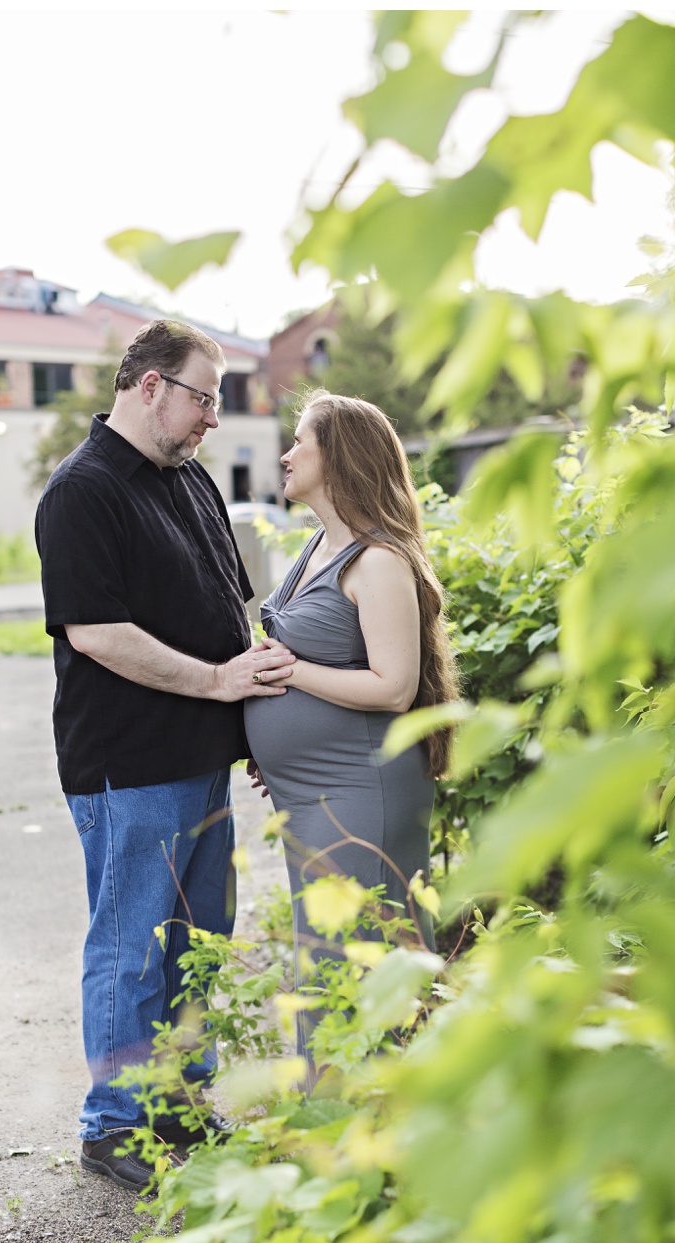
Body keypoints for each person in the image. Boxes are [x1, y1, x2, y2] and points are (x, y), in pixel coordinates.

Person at [35, 319, 294, 1189]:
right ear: (150, 387)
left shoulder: (191, 484)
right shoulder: (81, 493)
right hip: (129, 767)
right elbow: (100, 634)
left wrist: (252, 724)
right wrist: (221, 688)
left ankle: (181, 1104)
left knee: (199, 941)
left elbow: (232, 614)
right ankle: (115, 1127)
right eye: (204, 397)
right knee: (133, 944)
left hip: (204, 760)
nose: (213, 419)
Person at [244, 390, 458, 1085]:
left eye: (300, 438)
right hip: (311, 794)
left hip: (362, 791)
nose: (285, 452)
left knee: (363, 959)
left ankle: (386, 1132)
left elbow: (393, 687)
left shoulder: (380, 562)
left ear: (337, 456)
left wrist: (292, 672)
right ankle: (337, 1130)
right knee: (326, 958)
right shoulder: (317, 546)